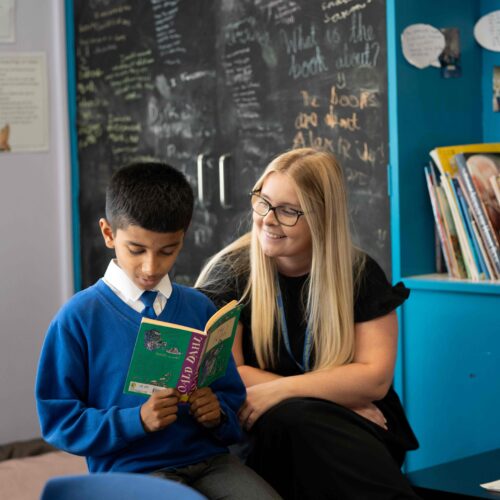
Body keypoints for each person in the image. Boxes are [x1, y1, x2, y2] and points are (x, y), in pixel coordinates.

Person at [35, 162, 280, 499]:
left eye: (168, 251)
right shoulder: (78, 318)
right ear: (108, 234)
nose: (151, 267)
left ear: (184, 235)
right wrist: (135, 420)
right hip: (131, 468)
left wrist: (216, 413)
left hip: (209, 460)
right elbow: (59, 420)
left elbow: (230, 394)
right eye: (136, 250)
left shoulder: (199, 307)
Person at [196, 148, 420, 499]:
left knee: (299, 423)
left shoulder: (359, 273)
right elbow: (226, 371)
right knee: (291, 422)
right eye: (263, 201)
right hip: (264, 424)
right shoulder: (231, 273)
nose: (268, 219)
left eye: (287, 211)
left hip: (355, 424)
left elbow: (374, 379)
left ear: (322, 217)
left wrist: (278, 390)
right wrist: (332, 396)